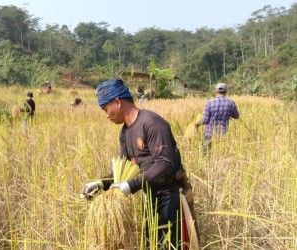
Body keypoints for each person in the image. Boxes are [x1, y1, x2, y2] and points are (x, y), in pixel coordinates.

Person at [81, 78, 195, 249]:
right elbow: (125, 170)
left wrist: (131, 185)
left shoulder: (152, 123)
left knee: (171, 245)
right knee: (151, 244)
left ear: (117, 102)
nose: (106, 115)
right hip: (149, 197)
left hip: (170, 197)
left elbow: (165, 164)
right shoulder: (125, 133)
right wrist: (100, 184)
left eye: (106, 109)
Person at [196, 82, 239, 154]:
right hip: (223, 134)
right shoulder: (231, 103)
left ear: (215, 91)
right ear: (225, 92)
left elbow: (205, 120)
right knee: (220, 154)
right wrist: (229, 114)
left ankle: (206, 165)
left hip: (209, 134)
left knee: (204, 155)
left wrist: (197, 124)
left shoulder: (209, 103)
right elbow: (236, 116)